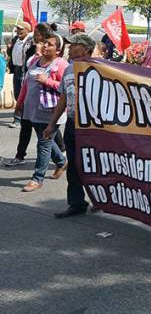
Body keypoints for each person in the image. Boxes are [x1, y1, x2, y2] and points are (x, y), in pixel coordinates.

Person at [44, 33, 96, 217]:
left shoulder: (99, 69)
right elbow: (64, 98)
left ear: (87, 49)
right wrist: (51, 124)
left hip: (93, 127)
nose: (70, 47)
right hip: (73, 124)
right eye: (70, 44)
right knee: (73, 165)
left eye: (75, 45)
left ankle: (100, 199)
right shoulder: (68, 70)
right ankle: (76, 203)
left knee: (94, 165)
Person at [16, 34, 68, 192]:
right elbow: (26, 83)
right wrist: (19, 102)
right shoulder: (34, 61)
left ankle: (37, 178)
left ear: (58, 51)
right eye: (45, 43)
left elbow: (66, 87)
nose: (45, 46)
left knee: (43, 143)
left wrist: (48, 81)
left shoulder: (61, 65)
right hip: (32, 109)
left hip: (51, 111)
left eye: (50, 44)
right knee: (44, 138)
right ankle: (61, 161)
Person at [7, 21, 33, 128]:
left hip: (25, 70)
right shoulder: (15, 40)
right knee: (17, 94)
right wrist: (9, 48)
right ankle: (22, 118)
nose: (18, 31)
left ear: (28, 30)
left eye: (21, 29)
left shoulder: (31, 41)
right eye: (18, 29)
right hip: (16, 69)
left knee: (23, 96)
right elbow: (11, 54)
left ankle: (19, 120)